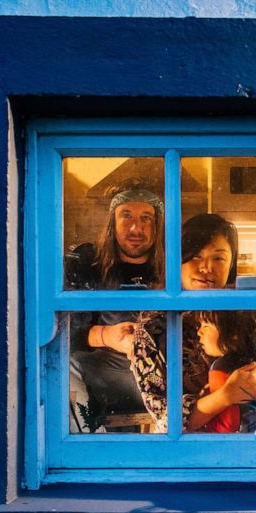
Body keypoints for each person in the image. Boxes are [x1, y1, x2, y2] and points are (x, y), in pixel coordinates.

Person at [129, 213, 256, 431]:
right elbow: (165, 419)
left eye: (218, 258)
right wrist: (226, 395)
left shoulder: (250, 313)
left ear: (232, 264)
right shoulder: (153, 326)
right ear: (177, 259)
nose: (206, 268)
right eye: (196, 256)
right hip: (192, 449)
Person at [66, 179, 165, 432]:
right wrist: (105, 335)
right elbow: (65, 330)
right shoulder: (88, 265)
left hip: (163, 379)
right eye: (127, 215)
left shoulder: (173, 267)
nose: (136, 227)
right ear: (112, 221)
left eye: (146, 218)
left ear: (158, 225)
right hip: (101, 379)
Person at [189, 310, 256, 432]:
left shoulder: (221, 367)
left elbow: (225, 426)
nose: (199, 332)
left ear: (234, 333)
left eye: (206, 326)